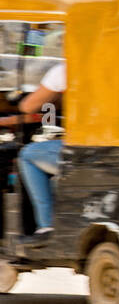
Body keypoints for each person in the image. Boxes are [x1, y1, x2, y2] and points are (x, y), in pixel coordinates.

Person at [7, 61, 65, 245]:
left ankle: (46, 225)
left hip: (78, 147)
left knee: (28, 155)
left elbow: (29, 108)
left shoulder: (64, 70)